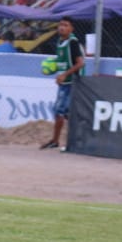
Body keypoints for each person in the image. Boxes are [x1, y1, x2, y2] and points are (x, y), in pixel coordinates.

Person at [40, 16, 83, 149]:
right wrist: (57, 72)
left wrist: (64, 75)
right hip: (64, 82)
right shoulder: (60, 41)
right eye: (60, 25)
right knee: (65, 113)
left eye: (65, 25)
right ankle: (67, 141)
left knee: (60, 111)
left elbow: (80, 63)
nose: (62, 27)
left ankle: (58, 141)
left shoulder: (73, 43)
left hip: (72, 82)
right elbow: (63, 62)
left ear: (71, 28)